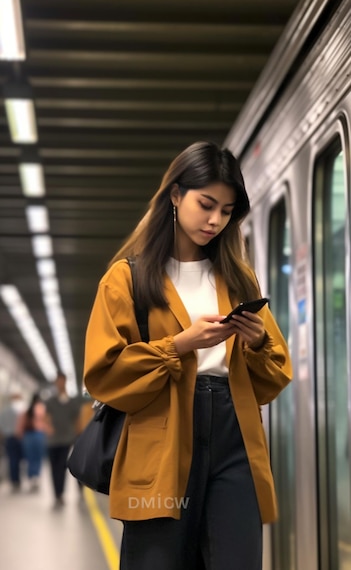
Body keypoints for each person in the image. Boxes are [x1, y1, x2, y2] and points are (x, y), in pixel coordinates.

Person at [83, 141, 293, 570]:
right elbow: (103, 374)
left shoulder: (239, 278)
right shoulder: (127, 279)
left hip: (234, 435)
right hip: (159, 440)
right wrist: (179, 345)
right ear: (175, 196)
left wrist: (255, 344)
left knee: (237, 559)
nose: (215, 220)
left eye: (227, 210)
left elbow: (274, 379)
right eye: (206, 204)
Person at [45, 372, 81, 508]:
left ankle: (60, 493)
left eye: (62, 381)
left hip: (66, 439)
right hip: (53, 440)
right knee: (54, 468)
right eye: (58, 381)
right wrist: (48, 428)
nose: (60, 384)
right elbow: (47, 417)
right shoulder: (50, 401)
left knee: (62, 467)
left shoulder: (72, 402)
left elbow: (77, 420)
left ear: (65, 382)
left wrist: (79, 436)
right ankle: (56, 492)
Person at [16, 392, 47, 492]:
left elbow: (21, 424)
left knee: (30, 458)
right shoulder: (42, 409)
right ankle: (35, 478)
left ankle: (31, 478)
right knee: (38, 458)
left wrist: (20, 435)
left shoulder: (27, 410)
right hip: (39, 435)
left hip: (28, 436)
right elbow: (46, 423)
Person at [0, 391, 25, 492]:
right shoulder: (21, 411)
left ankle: (15, 480)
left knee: (12, 459)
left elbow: (1, 426)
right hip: (18, 438)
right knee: (17, 460)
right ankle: (16, 480)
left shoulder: (5, 412)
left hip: (9, 437)